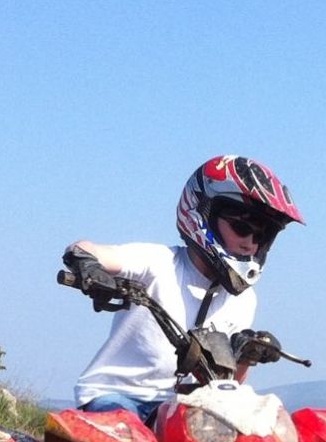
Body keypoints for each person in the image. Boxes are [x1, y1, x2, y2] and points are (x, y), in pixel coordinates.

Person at [70, 155, 303, 420]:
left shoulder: (244, 300)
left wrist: (246, 356)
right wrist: (87, 264)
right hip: (117, 397)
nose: (250, 243)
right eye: (241, 227)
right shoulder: (158, 262)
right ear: (205, 215)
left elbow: (225, 384)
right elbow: (89, 248)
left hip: (180, 408)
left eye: (260, 236)